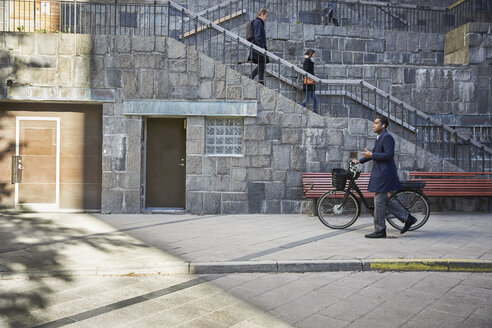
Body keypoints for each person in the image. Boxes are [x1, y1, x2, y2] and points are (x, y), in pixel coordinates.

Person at [353, 117, 417, 238]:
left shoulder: (387, 137)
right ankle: (407, 218)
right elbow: (373, 154)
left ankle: (380, 230)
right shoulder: (380, 137)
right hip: (381, 173)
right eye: (374, 123)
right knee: (381, 200)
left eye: (376, 123)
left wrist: (372, 154)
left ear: (384, 125)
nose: (374, 125)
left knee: (378, 200)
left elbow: (389, 155)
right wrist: (359, 161)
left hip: (385, 174)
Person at [248, 8, 269, 85]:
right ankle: (253, 78)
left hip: (258, 46)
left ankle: (260, 81)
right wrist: (262, 47)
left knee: (262, 64)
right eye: (266, 16)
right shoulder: (258, 23)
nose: (266, 18)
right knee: (261, 64)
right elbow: (258, 36)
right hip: (258, 47)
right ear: (262, 14)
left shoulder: (258, 22)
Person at [301, 49, 319, 114]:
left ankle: (315, 112)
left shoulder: (310, 61)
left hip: (311, 84)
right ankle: (300, 109)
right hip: (308, 83)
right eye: (314, 54)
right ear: (310, 54)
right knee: (307, 99)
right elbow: (306, 70)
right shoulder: (307, 61)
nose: (314, 55)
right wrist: (312, 76)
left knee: (315, 100)